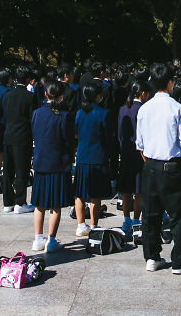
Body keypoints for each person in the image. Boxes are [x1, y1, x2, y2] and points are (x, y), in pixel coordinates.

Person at [136, 62, 181, 275]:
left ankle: (152, 257)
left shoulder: (144, 108)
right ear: (171, 82)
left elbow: (140, 145)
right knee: (177, 214)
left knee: (150, 214)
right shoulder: (177, 108)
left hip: (150, 164)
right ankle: (179, 260)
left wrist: (149, 162)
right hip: (172, 165)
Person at [31, 80, 75, 253]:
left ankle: (37, 239)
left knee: (39, 203)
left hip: (41, 161)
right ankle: (51, 240)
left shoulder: (36, 113)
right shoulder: (64, 115)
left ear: (45, 94)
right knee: (55, 205)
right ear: (61, 96)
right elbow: (69, 141)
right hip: (58, 162)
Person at [73, 82, 111, 236]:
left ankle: (81, 225)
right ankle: (94, 225)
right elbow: (107, 136)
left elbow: (75, 133)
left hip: (82, 155)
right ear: (97, 96)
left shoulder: (79, 113)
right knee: (95, 195)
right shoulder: (104, 113)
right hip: (98, 155)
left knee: (80, 193)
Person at [2, 67, 36, 212]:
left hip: (8, 135)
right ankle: (20, 202)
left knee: (8, 170)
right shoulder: (30, 97)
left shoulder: (8, 95)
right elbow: (32, 119)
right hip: (23, 136)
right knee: (21, 170)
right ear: (28, 79)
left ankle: (7, 202)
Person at [118, 80, 149, 236]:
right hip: (139, 152)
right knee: (138, 189)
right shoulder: (144, 109)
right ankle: (137, 220)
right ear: (142, 93)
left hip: (125, 151)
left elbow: (120, 134)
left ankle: (126, 219)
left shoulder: (123, 109)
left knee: (126, 189)